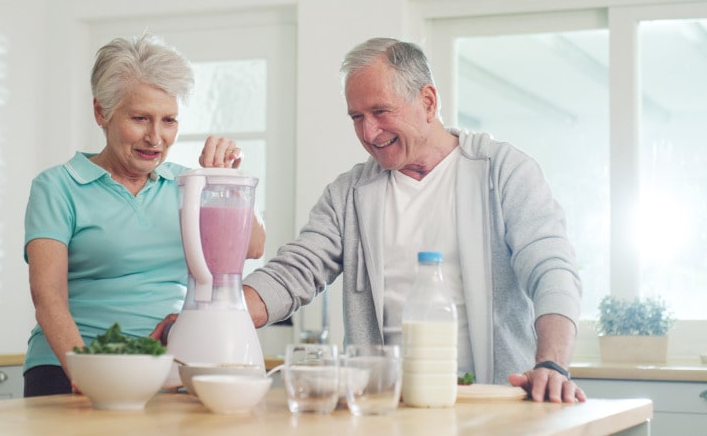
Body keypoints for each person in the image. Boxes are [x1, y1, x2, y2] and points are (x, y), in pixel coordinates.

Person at [154, 37, 586, 403]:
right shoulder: (351, 193)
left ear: (428, 101)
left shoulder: (502, 171)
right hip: (387, 404)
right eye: (356, 117)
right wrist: (212, 315)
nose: (368, 132)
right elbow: (294, 273)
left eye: (381, 112)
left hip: (493, 397)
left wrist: (551, 362)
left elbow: (550, 269)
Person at [22, 33, 265, 397]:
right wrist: (87, 372)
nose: (156, 137)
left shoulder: (188, 186)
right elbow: (48, 296)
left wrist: (225, 181)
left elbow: (253, 246)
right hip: (71, 365)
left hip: (167, 368)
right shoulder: (58, 186)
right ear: (101, 112)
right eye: (140, 118)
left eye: (169, 121)